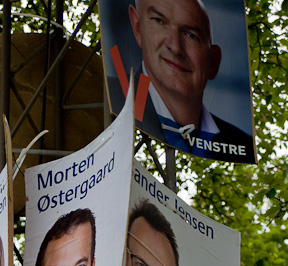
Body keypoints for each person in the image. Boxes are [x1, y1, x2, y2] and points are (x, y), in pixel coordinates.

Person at [108, 0, 254, 162]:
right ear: (137, 27)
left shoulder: (240, 142)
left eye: (191, 35)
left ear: (213, 62)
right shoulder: (106, 98)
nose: (175, 47)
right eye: (159, 21)